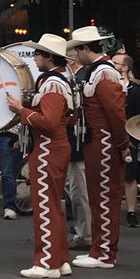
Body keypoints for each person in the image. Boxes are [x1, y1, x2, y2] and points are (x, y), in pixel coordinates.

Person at [6, 34, 74, 279]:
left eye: (37, 54)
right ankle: (60, 258)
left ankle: (47, 262)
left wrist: (21, 110)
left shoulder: (53, 85)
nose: (34, 58)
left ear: (48, 57)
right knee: (53, 205)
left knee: (45, 206)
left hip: (48, 148)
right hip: (54, 147)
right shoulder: (63, 80)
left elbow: (49, 122)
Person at [67, 26, 128, 270]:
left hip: (104, 141)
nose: (74, 55)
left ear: (85, 48)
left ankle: (104, 252)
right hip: (98, 140)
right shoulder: (98, 71)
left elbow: (115, 112)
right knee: (98, 196)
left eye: (76, 50)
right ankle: (99, 249)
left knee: (104, 197)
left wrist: (122, 144)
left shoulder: (104, 72)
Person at [113, 53, 140, 228]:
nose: (112, 65)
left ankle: (131, 211)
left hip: (129, 137)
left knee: (130, 176)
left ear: (124, 68)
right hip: (111, 137)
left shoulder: (134, 90)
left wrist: (133, 137)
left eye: (115, 63)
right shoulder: (110, 86)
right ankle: (112, 210)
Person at [64, 48, 92, 250]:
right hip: (74, 142)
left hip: (79, 142)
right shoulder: (77, 77)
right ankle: (83, 230)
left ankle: (85, 233)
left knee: (79, 191)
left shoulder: (82, 78)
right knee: (75, 190)